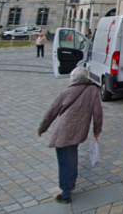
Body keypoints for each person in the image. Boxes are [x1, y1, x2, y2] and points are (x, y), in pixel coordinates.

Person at [38, 67, 103, 204]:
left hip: (63, 132)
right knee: (72, 156)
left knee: (64, 161)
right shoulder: (92, 91)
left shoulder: (65, 92)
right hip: (79, 132)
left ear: (73, 78)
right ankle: (71, 183)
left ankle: (66, 193)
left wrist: (42, 128)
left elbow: (51, 113)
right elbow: (98, 113)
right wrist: (97, 130)